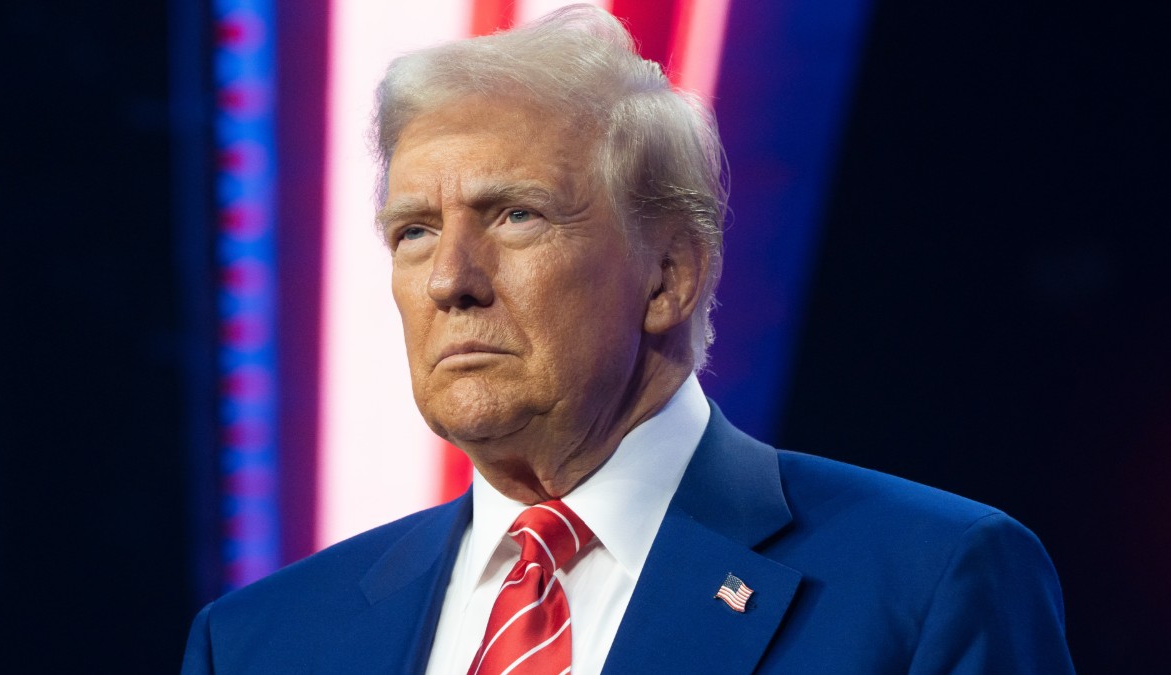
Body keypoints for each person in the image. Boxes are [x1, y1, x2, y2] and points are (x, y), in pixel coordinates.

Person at [182, 5, 1074, 673]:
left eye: (516, 214)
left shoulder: (927, 581)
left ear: (668, 277)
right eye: (413, 230)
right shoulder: (263, 640)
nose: (450, 277)